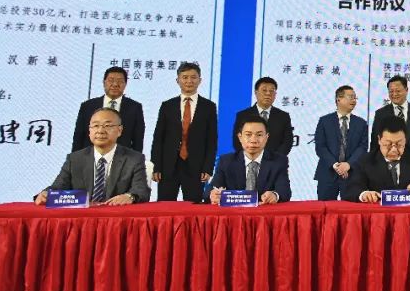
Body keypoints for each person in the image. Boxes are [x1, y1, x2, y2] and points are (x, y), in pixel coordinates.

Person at [36, 107, 149, 205]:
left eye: (107, 125)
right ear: (89, 131)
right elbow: (58, 187)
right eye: (95, 125)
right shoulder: (75, 159)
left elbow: (141, 190)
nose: (100, 131)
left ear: (119, 130)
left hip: (115, 217)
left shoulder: (134, 159)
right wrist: (45, 194)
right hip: (83, 218)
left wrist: (129, 197)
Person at [151, 62, 217, 202]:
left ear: (200, 80)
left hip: (196, 166)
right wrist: (156, 166)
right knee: (164, 206)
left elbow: (212, 140)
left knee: (194, 207)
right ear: (178, 80)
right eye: (185, 77)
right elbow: (158, 138)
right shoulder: (167, 106)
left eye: (193, 77)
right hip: (168, 166)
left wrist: (208, 167)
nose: (189, 81)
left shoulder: (209, 107)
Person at [344, 116, 410, 203]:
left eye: (399, 144)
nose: (394, 150)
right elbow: (351, 190)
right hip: (379, 214)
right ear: (379, 140)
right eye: (388, 144)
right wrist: (364, 194)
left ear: (405, 140)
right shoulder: (365, 161)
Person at [209, 115, 291, 204]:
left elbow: (284, 191)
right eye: (248, 135)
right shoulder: (226, 161)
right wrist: (213, 195)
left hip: (264, 210)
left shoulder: (278, 161)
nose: (253, 140)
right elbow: (210, 191)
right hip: (234, 211)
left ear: (267, 137)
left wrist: (275, 195)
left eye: (259, 135)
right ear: (240, 137)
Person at [71, 66, 146, 152]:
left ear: (125, 84)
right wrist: (75, 159)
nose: (115, 84)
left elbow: (138, 141)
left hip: (122, 158)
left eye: (120, 81)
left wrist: (136, 159)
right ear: (104, 82)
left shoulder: (135, 108)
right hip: (90, 157)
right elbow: (78, 138)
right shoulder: (87, 106)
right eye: (111, 80)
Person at [314, 85, 369, 201]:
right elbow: (320, 147)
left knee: (351, 210)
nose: (354, 100)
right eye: (350, 97)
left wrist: (348, 165)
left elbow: (363, 148)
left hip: (352, 174)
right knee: (325, 208)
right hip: (328, 173)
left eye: (355, 97)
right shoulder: (324, 121)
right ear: (339, 99)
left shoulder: (361, 123)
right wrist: (335, 165)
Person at [370, 75, 410, 156]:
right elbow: (374, 144)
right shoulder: (380, 114)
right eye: (391, 91)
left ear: (406, 90)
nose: (394, 94)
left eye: (398, 91)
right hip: (388, 160)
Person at [231, 76, 294, 157]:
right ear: (256, 92)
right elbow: (237, 141)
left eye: (271, 91)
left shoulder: (283, 116)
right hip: (249, 161)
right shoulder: (243, 115)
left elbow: (287, 141)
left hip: (275, 161)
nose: (268, 94)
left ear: (275, 95)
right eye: (264, 90)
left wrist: (274, 159)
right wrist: (250, 157)